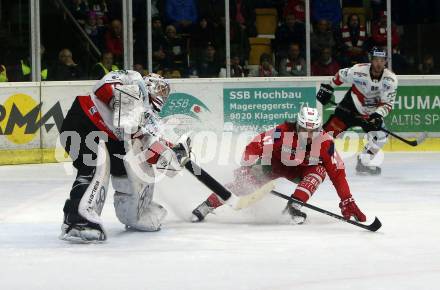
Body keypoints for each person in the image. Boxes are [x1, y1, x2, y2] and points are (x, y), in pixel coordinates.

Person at [59, 70, 191, 242]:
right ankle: (77, 221)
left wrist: (170, 154)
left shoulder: (150, 118)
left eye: (165, 92)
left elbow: (147, 150)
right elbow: (103, 87)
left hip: (110, 139)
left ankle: (136, 214)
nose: (162, 95)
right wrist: (127, 102)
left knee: (133, 171)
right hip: (83, 122)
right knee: (96, 166)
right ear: (149, 84)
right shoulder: (131, 79)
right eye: (160, 89)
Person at [191, 107, 366, 224]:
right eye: (305, 129)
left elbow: (338, 173)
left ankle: (294, 206)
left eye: (313, 130)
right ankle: (207, 205)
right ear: (297, 125)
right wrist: (246, 167)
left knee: (320, 171)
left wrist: (347, 199)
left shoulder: (326, 142)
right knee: (243, 184)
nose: (309, 134)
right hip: (272, 165)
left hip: (300, 170)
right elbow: (254, 145)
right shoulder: (282, 132)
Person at [316, 47, 398, 175]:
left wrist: (378, 115)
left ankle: (364, 162)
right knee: (328, 133)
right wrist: (329, 87)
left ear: (385, 62)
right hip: (350, 107)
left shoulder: (391, 80)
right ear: (371, 59)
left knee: (381, 137)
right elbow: (341, 75)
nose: (378, 63)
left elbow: (388, 103)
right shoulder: (358, 70)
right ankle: (314, 158)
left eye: (381, 60)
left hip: (371, 114)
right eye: (376, 60)